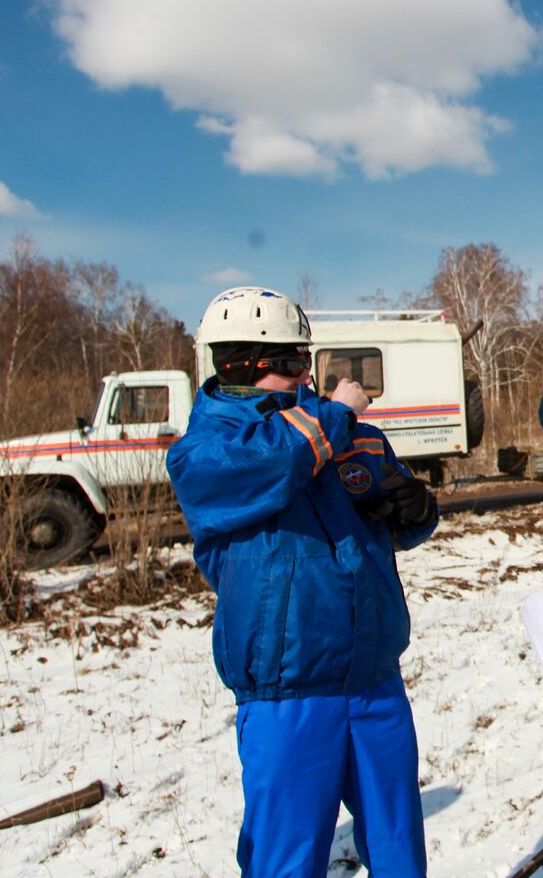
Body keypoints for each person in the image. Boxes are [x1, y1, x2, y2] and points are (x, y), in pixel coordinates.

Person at [167, 286, 437, 877]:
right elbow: (279, 457)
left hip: (374, 680)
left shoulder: (337, 428)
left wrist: (415, 509)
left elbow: (395, 508)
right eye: (287, 366)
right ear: (238, 367)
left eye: (301, 362)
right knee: (286, 862)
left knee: (400, 854)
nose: (301, 376)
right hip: (287, 696)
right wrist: (335, 414)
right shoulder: (206, 449)